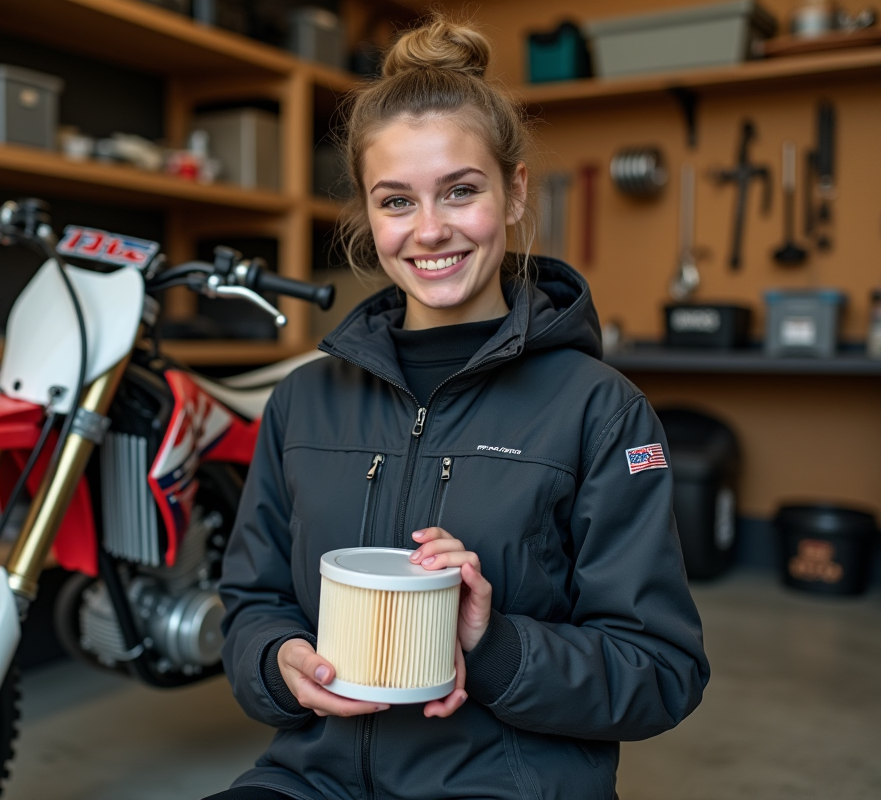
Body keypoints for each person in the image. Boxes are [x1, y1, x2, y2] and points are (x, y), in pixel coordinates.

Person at [212, 15, 709, 800]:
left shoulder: (600, 412)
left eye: (461, 190)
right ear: (368, 216)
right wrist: (279, 661)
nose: (430, 229)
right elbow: (251, 605)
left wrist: (491, 644)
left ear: (513, 193)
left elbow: (662, 672)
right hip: (313, 780)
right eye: (396, 200)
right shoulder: (305, 401)